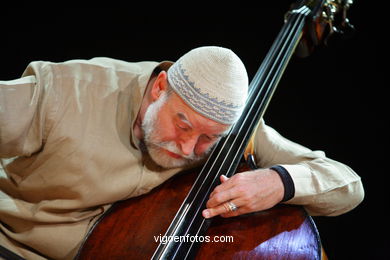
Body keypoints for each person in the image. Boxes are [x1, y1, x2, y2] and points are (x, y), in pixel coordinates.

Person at [0, 46, 364, 259]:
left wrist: (278, 181)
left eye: (210, 138)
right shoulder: (66, 93)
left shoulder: (235, 132)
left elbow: (348, 185)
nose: (190, 149)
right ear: (160, 88)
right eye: (183, 126)